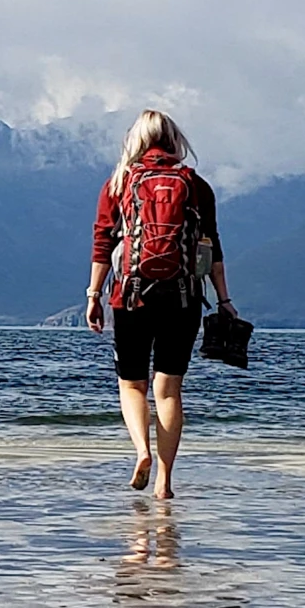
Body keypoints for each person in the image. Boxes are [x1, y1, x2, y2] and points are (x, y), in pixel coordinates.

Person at [86, 110, 236, 500]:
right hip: (183, 298)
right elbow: (212, 247)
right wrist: (224, 300)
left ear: (136, 141)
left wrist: (94, 295)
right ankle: (165, 483)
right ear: (174, 141)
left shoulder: (119, 183)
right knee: (168, 390)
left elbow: (103, 243)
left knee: (132, 384)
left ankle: (142, 452)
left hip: (130, 296)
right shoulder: (195, 185)